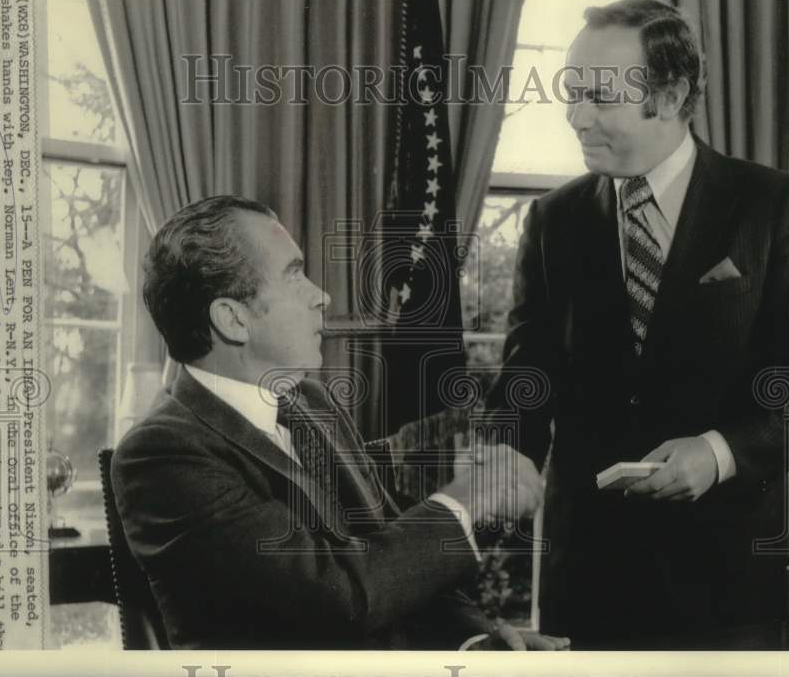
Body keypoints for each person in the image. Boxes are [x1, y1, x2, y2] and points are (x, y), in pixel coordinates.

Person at [484, 0, 789, 647]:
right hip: (586, 582)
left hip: (726, 585)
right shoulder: (553, 220)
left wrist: (719, 453)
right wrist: (502, 462)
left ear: (670, 95)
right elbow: (527, 376)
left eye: (599, 98)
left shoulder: (773, 206)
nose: (576, 117)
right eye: (571, 94)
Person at [111, 195, 568, 650]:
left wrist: (474, 641)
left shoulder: (312, 403)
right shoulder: (161, 455)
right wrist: (467, 499)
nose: (321, 296)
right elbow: (338, 597)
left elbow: (393, 552)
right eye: (294, 276)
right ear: (233, 319)